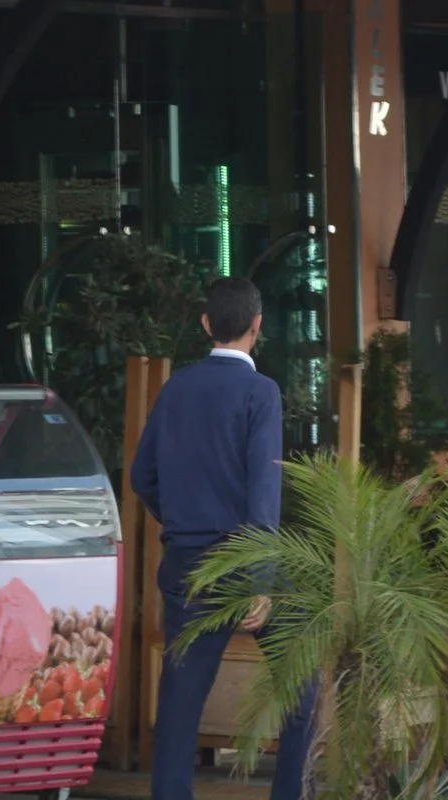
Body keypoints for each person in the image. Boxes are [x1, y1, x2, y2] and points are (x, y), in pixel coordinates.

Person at [130, 277, 316, 800]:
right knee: (302, 684)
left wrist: (180, 518)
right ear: (258, 326)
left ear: (206, 324)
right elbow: (264, 490)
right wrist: (261, 580)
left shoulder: (176, 388)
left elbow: (141, 476)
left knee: (180, 701)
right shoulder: (261, 392)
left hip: (186, 564)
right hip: (246, 562)